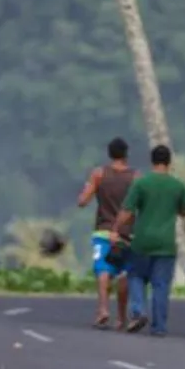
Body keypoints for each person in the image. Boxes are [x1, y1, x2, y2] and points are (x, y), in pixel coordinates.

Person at [111, 144, 185, 337]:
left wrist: (115, 229)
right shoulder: (177, 185)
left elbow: (127, 211)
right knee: (161, 285)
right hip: (166, 244)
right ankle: (159, 327)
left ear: (152, 161)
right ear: (169, 161)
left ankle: (138, 312)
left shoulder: (141, 183)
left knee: (136, 276)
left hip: (142, 241)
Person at [75, 137, 138, 329]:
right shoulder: (135, 177)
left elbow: (82, 201)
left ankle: (103, 309)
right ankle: (121, 318)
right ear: (126, 154)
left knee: (103, 269)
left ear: (110, 154)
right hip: (128, 233)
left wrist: (88, 191)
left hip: (103, 230)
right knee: (124, 274)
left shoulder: (99, 174)